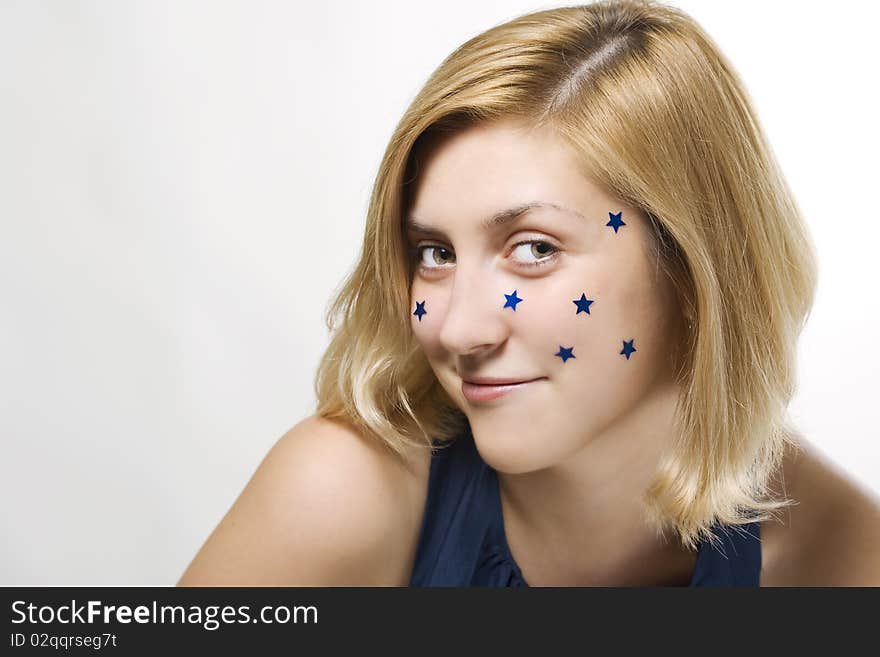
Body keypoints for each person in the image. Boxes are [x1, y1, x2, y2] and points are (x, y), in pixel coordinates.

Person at [177, 0, 880, 586]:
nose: (458, 330)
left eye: (534, 249)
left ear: (695, 267)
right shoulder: (339, 493)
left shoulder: (844, 558)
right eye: (435, 253)